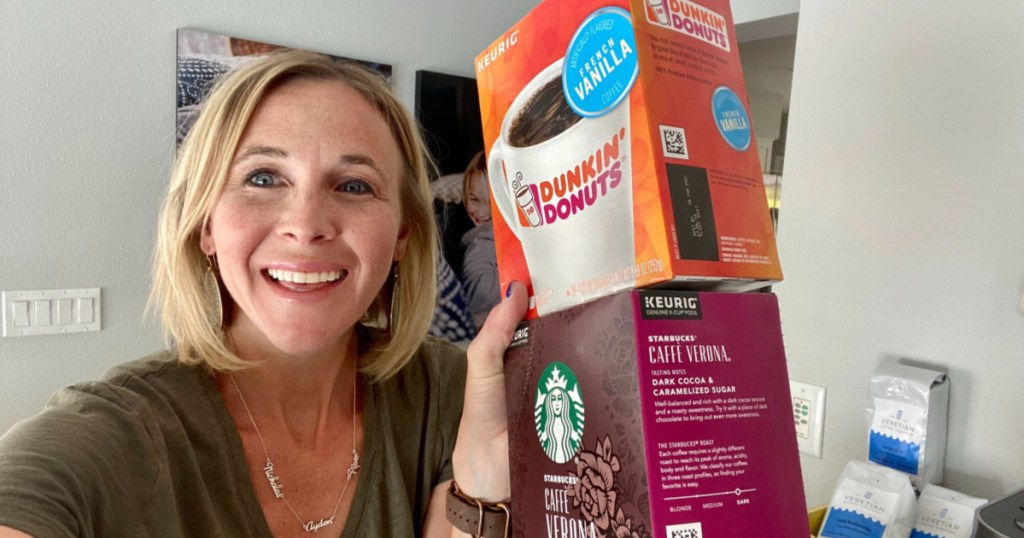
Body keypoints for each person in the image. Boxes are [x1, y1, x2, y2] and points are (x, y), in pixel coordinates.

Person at [0, 50, 525, 538]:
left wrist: (483, 481)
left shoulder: (449, 391)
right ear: (205, 223)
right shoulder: (112, 435)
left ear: (402, 235)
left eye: (354, 185)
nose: (306, 225)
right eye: (263, 177)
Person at [458, 151, 500, 330]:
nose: (482, 213)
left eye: (491, 203)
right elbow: (478, 297)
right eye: (474, 199)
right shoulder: (484, 237)